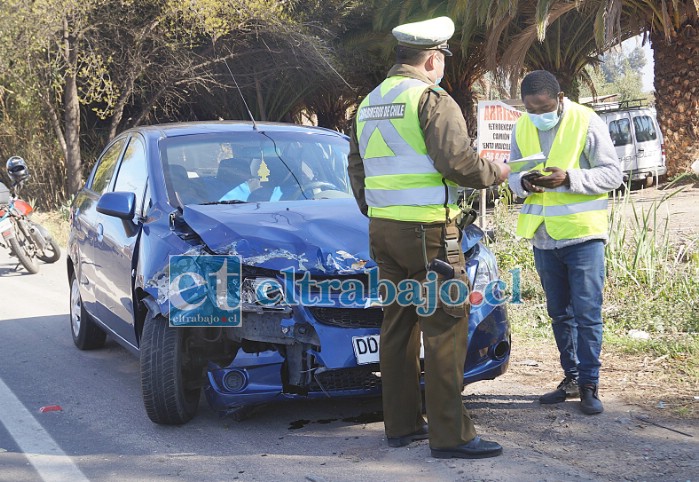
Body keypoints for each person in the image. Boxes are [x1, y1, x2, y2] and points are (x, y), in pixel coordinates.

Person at [348, 16, 510, 459]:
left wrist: (377, 211)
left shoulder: (368, 103)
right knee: (445, 327)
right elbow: (458, 163)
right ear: (433, 59)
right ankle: (451, 435)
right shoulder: (431, 98)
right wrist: (494, 171)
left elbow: (356, 169)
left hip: (383, 229)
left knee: (398, 325)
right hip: (429, 233)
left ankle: (401, 426)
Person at [507, 70, 622, 415]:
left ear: (559, 97)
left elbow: (613, 174)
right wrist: (523, 183)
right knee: (559, 314)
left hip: (583, 235)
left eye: (543, 106)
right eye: (530, 108)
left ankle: (589, 384)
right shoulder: (521, 126)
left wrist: (569, 178)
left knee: (587, 314)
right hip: (544, 237)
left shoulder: (586, 121)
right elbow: (512, 174)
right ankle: (570, 378)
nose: (537, 114)